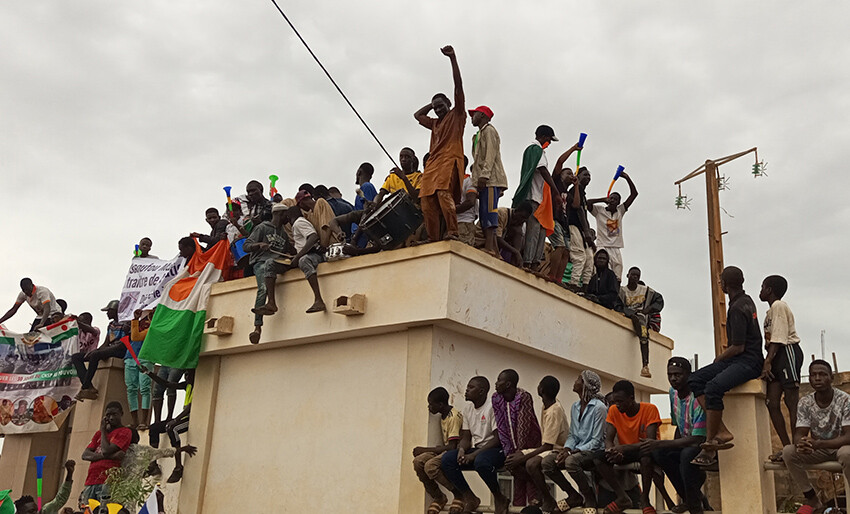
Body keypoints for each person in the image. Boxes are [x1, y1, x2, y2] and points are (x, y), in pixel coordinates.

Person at [688, 266, 764, 467]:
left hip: (749, 361)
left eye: (721, 281)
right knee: (695, 379)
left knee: (713, 387)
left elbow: (738, 347)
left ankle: (710, 442)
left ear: (725, 284)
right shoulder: (746, 301)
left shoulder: (738, 308)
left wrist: (719, 358)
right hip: (741, 360)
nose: (720, 284)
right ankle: (721, 430)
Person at [781, 360, 850, 514]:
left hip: (840, 447)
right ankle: (812, 499)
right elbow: (799, 434)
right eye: (813, 375)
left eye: (822, 374)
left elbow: (848, 437)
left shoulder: (845, 400)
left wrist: (818, 444)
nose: (817, 378)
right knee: (788, 451)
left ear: (831, 378)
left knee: (847, 453)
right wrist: (803, 443)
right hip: (819, 448)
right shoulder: (805, 402)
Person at [641, 357, 707, 514]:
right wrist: (667, 448)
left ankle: (694, 507)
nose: (673, 379)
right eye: (670, 374)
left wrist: (661, 444)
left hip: (704, 444)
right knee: (660, 453)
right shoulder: (673, 393)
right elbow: (678, 425)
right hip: (686, 442)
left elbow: (698, 438)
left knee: (685, 455)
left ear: (688, 375)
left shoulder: (698, 395)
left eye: (678, 374)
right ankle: (691, 498)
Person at [414, 45, 466, 242]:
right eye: (435, 108)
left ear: (449, 104)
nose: (437, 110)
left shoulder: (457, 115)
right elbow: (417, 115)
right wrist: (432, 101)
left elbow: (458, 87)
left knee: (443, 193)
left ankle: (453, 232)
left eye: (441, 106)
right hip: (433, 164)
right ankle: (432, 237)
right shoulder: (435, 123)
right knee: (426, 200)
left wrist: (452, 58)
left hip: (449, 159)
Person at [590, 380, 661, 513]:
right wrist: (611, 451)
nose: (617, 404)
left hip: (644, 450)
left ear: (631, 398)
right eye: (615, 401)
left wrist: (623, 448)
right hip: (625, 451)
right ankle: (622, 497)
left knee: (646, 458)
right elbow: (609, 439)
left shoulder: (650, 409)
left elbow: (650, 442)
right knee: (598, 458)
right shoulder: (613, 410)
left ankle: (644, 499)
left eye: (621, 401)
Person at [542, 370, 608, 512]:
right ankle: (573, 495)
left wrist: (572, 452)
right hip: (575, 450)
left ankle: (588, 496)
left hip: (593, 451)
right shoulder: (575, 406)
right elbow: (573, 435)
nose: (575, 381)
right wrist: (566, 449)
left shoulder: (599, 408)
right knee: (547, 462)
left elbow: (596, 440)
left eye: (579, 379)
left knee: (571, 462)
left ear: (586, 385)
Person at [440, 376, 507, 514]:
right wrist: (462, 451)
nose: (466, 390)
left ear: (481, 391)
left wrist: (473, 455)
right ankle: (469, 497)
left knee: (481, 462)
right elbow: (466, 437)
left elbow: (497, 439)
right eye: (467, 387)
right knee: (447, 460)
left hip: (494, 449)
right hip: (476, 450)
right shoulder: (468, 409)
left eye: (471, 388)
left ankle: (499, 497)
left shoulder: (492, 408)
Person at [759, 274, 803, 463]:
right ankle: (787, 449)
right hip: (775, 354)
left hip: (786, 352)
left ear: (769, 289)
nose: (760, 291)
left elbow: (779, 337)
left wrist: (767, 361)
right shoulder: (769, 313)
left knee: (792, 402)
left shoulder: (779, 306)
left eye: (762, 287)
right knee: (772, 402)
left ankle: (797, 447)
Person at [512, 125, 563, 269]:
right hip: (532, 196)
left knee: (540, 231)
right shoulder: (536, 150)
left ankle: (535, 262)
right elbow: (543, 171)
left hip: (539, 198)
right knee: (533, 230)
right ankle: (527, 262)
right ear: (543, 137)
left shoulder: (536, 151)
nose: (550, 143)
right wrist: (556, 192)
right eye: (549, 139)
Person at [492, 369, 542, 508]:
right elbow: (501, 424)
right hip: (512, 446)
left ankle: (539, 494)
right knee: (517, 480)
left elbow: (523, 426)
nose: (496, 383)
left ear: (508, 384)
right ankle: (524, 500)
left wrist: (520, 453)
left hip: (530, 444)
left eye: (499, 380)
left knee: (526, 471)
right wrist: (509, 453)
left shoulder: (523, 397)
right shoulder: (496, 398)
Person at [244, 203, 291, 343]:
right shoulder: (262, 228)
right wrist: (258, 245)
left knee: (272, 263)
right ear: (279, 214)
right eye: (285, 214)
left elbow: (288, 250)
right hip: (261, 263)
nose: (287, 217)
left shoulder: (283, 233)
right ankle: (257, 328)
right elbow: (246, 246)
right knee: (262, 288)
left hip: (276, 263)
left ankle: (271, 304)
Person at [412, 387, 464, 514]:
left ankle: (458, 494)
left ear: (440, 404)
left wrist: (425, 449)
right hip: (444, 450)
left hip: (455, 451)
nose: (429, 407)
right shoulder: (443, 416)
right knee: (418, 462)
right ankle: (438, 496)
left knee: (430, 466)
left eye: (431, 404)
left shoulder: (453, 416)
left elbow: (452, 446)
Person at [521, 376, 569, 512]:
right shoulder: (545, 405)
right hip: (547, 447)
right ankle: (541, 486)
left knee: (530, 463)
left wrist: (524, 457)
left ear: (541, 389)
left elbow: (548, 445)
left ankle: (547, 497)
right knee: (511, 460)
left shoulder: (555, 410)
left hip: (557, 449)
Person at [468, 105, 508, 257]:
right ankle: (494, 250)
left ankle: (490, 247)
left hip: (491, 180)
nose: (472, 117)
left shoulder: (489, 131)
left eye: (475, 114)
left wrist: (484, 175)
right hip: (483, 179)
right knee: (484, 212)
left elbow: (490, 155)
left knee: (490, 212)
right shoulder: (478, 134)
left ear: (483, 115)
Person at [145, 368, 197, 483]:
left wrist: (175, 419)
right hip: (181, 419)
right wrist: (149, 373)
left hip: (190, 419)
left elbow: (190, 407)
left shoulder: (198, 386)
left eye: (188, 374)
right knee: (154, 428)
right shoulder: (186, 385)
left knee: (172, 428)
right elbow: (167, 384)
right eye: (185, 374)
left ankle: (178, 467)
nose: (186, 377)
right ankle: (153, 463)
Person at [73, 301, 131, 401]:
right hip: (109, 349)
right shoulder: (111, 325)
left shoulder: (125, 324)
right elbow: (106, 342)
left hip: (119, 351)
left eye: (108, 311)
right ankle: (89, 386)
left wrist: (100, 352)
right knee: (76, 357)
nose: (107, 313)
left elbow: (123, 344)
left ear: (114, 311)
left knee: (95, 355)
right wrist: (96, 351)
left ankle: (85, 388)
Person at [586, 171, 638, 282]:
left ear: (619, 202)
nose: (613, 200)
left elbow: (634, 194)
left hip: (616, 247)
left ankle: (614, 295)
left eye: (616, 199)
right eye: (611, 198)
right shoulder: (599, 211)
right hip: (602, 246)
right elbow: (586, 203)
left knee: (617, 274)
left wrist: (627, 178)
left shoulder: (620, 211)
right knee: (604, 271)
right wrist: (602, 199)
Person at [80, 402, 133, 504]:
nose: (111, 418)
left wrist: (103, 430)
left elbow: (106, 450)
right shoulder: (98, 434)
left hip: (108, 481)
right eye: (108, 415)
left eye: (114, 414)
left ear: (121, 414)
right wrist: (111, 456)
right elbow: (85, 455)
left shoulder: (124, 431)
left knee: (104, 510)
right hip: (91, 480)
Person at [619, 267, 665, 379]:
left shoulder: (645, 290)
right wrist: (628, 312)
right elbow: (618, 305)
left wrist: (648, 310)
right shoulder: (622, 291)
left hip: (641, 319)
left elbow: (659, 301)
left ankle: (645, 365)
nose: (634, 277)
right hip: (627, 315)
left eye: (637, 276)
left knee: (644, 334)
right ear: (627, 275)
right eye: (632, 275)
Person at [289, 195, 326, 313]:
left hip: (314, 254)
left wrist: (298, 257)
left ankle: (318, 299)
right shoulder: (299, 224)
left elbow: (313, 237)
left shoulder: (299, 223)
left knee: (303, 261)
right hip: (310, 253)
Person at [566, 167, 595, 290]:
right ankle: (574, 284)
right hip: (574, 226)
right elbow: (579, 210)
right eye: (585, 175)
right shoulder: (575, 190)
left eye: (589, 176)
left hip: (582, 230)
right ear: (577, 177)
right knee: (579, 256)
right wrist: (587, 232)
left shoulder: (582, 193)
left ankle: (585, 288)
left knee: (589, 258)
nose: (587, 177)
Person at [125, 309, 153, 430]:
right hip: (131, 356)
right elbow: (134, 336)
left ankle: (143, 421)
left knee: (145, 389)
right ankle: (135, 421)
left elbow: (136, 337)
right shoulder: (141, 319)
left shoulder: (158, 321)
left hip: (146, 356)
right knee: (131, 389)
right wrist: (136, 319)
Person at [455, 159, 478, 246]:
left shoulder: (469, 181)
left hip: (464, 223)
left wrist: (450, 210)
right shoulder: (453, 181)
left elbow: (470, 202)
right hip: (452, 224)